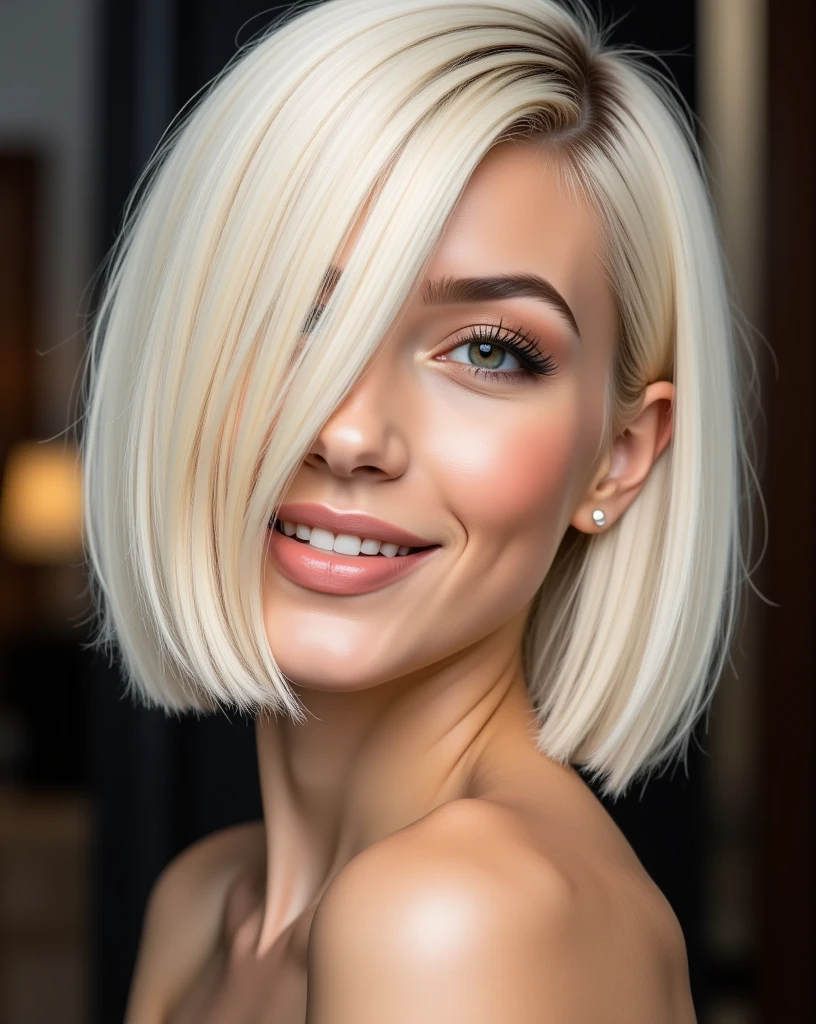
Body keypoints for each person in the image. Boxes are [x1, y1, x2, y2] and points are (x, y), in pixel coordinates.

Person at [81, 0, 753, 1020]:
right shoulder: (205, 900)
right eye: (292, 317)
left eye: (489, 349)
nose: (350, 434)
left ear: (617, 461)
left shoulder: (459, 917)